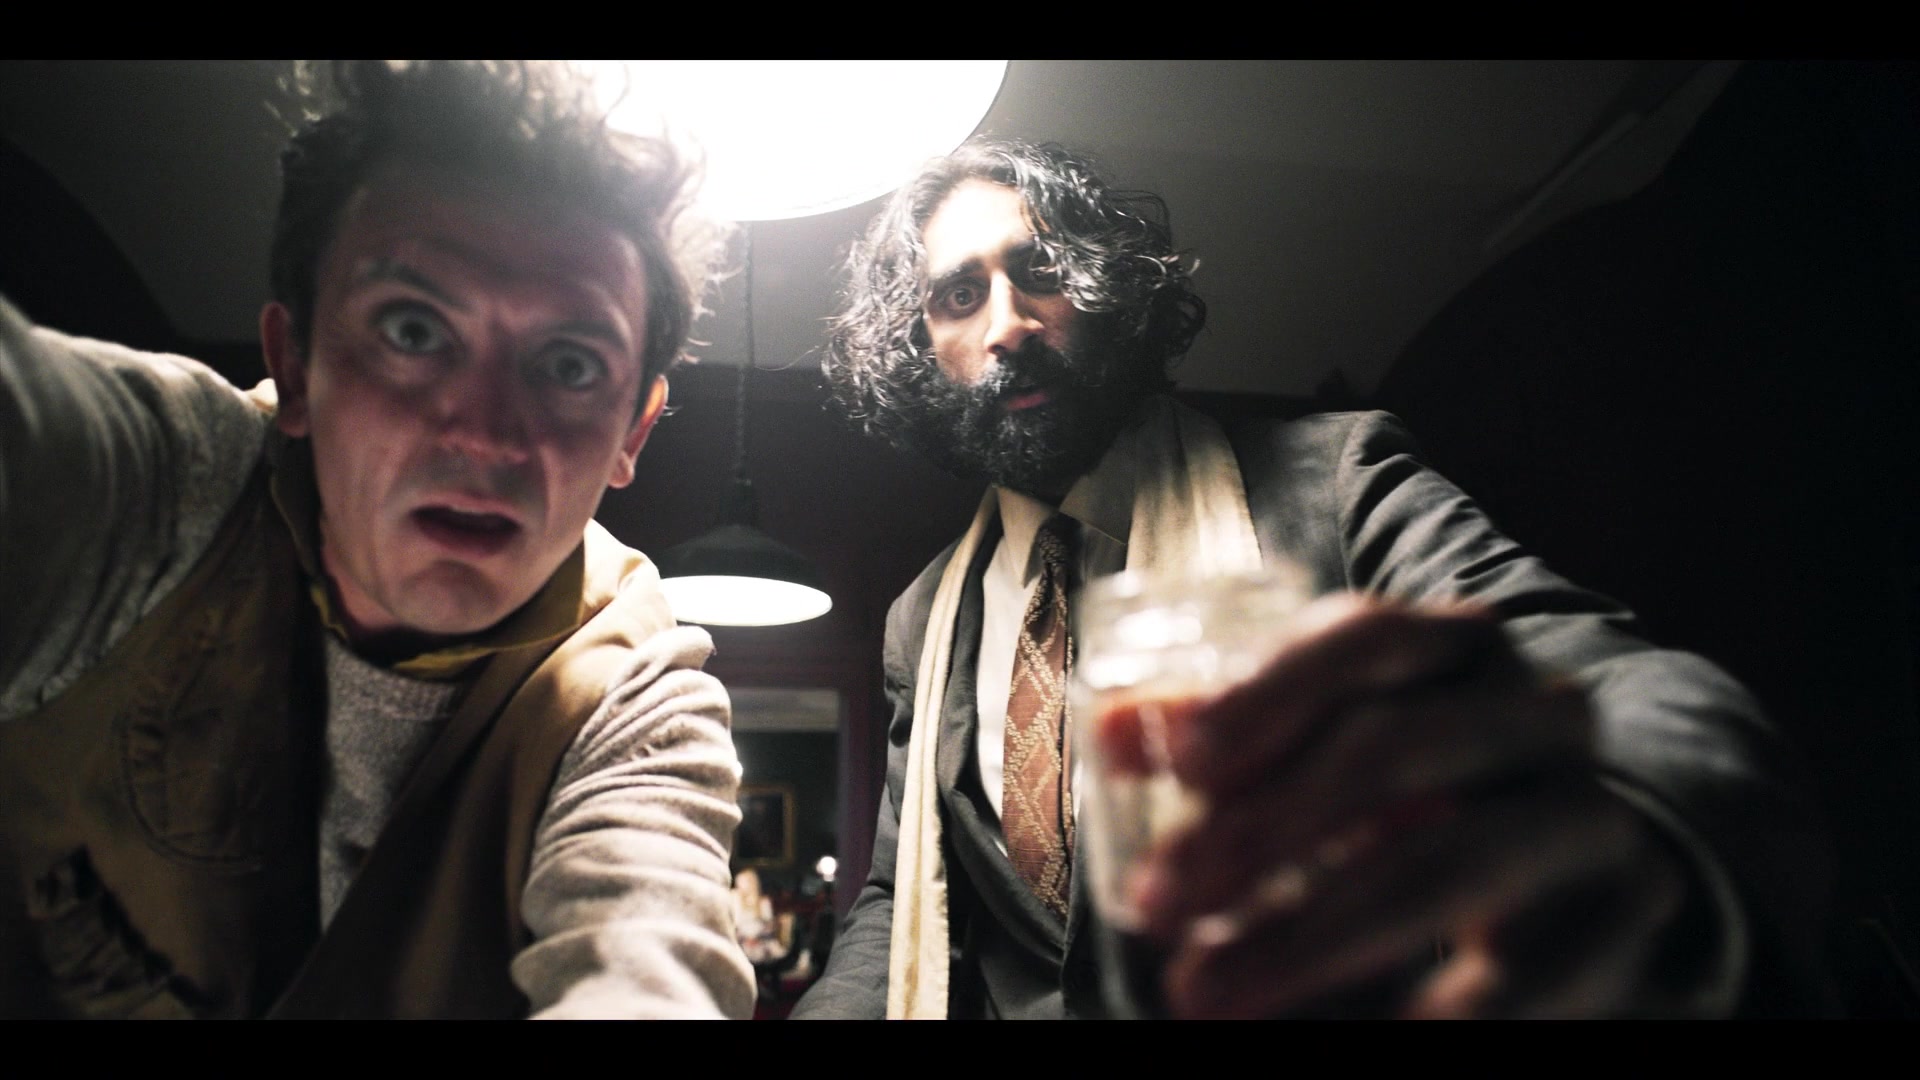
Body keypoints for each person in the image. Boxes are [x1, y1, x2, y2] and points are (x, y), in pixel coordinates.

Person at [791, 139, 1830, 1019]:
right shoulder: (923, 618)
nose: (1008, 324)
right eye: (959, 294)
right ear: (922, 348)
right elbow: (895, 896)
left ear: (1108, 290)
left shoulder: (1336, 479)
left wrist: (1641, 831)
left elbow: (1616, 690)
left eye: (1041, 271)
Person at [0, 61, 754, 1019]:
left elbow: (653, 966)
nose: (485, 433)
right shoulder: (159, 479)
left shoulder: (636, 690)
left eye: (569, 365)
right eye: (413, 330)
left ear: (632, 435)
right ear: (294, 365)